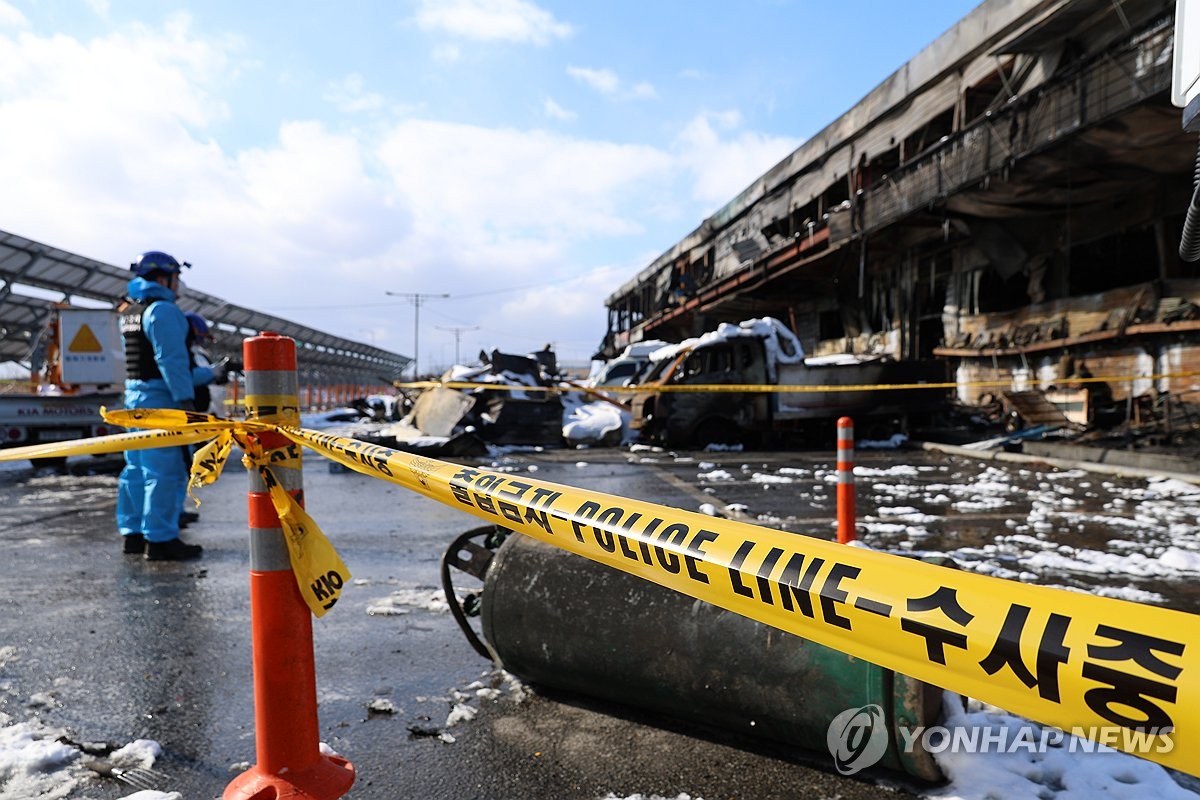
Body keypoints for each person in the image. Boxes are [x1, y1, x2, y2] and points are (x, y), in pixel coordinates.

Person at [116, 251, 203, 561]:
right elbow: (171, 361)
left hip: (133, 401)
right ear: (164, 278)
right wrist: (186, 400)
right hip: (160, 402)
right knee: (165, 472)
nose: (179, 285)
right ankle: (162, 540)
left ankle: (133, 535)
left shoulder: (130, 312)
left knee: (136, 470)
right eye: (177, 277)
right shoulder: (163, 310)